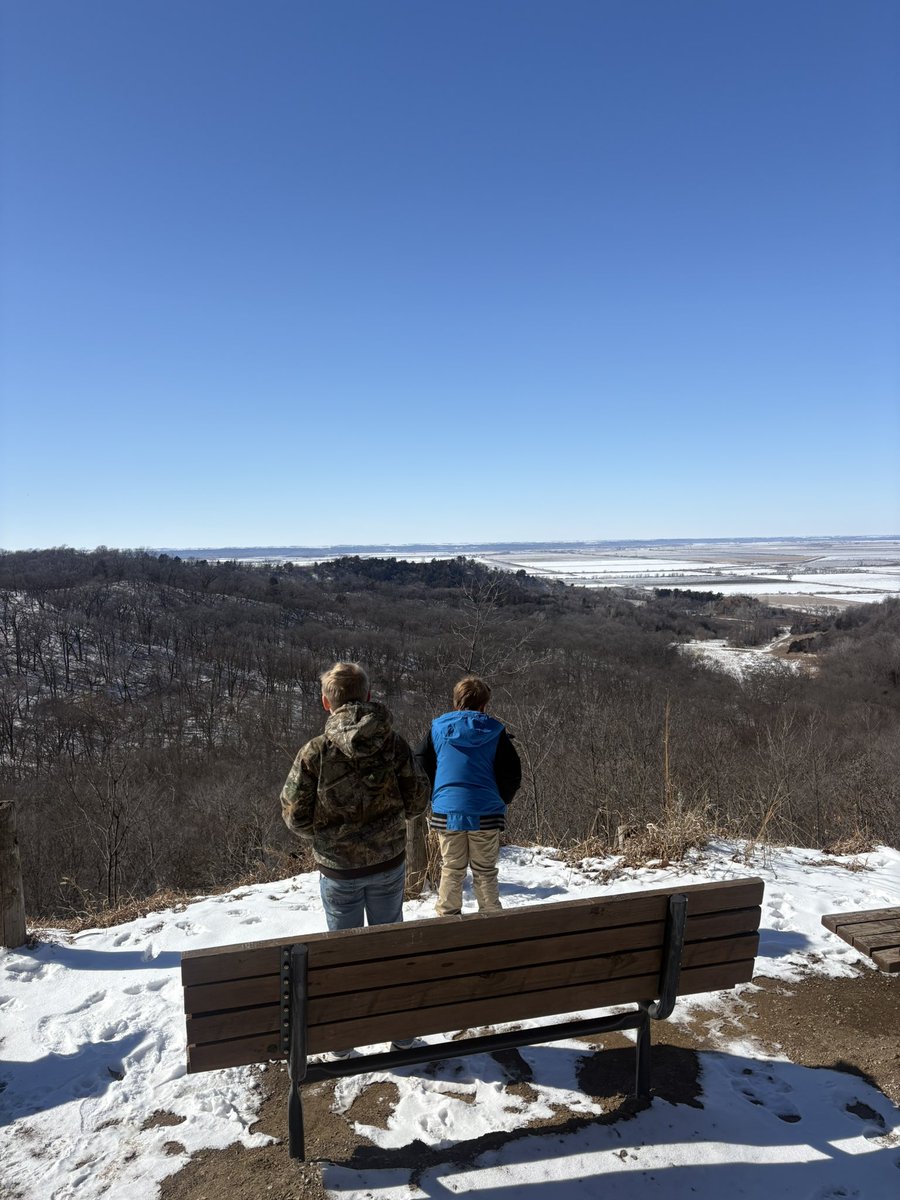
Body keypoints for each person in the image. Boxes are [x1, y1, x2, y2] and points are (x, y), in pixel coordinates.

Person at [280, 661, 428, 932]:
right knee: (389, 944)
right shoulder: (393, 744)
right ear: (368, 696)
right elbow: (418, 798)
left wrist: (327, 837)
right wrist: (392, 823)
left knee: (344, 950)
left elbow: (294, 814)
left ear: (326, 702)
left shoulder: (315, 752)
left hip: (339, 867)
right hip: (388, 859)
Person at [416, 675, 521, 916]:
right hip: (486, 811)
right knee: (485, 871)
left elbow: (420, 763)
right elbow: (512, 773)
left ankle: (447, 923)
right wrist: (501, 799)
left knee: (451, 869)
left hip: (446, 811)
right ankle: (490, 923)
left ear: (455, 703)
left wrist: (437, 794)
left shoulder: (437, 729)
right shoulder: (495, 731)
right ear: (484, 704)